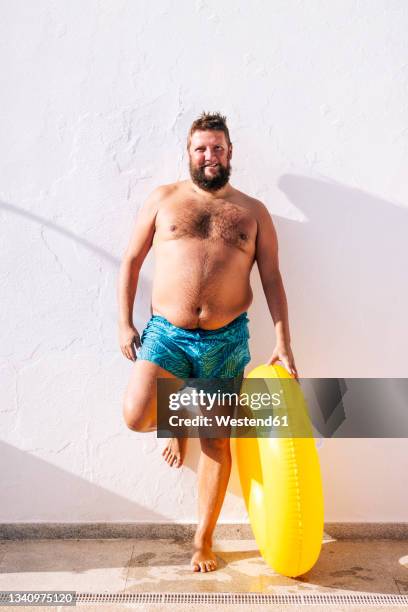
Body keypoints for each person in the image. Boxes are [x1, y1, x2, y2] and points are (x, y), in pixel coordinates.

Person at [117, 112, 297, 573]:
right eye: (201, 148)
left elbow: (272, 278)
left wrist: (283, 341)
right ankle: (178, 419)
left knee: (216, 443)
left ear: (230, 151)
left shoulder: (253, 212)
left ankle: (203, 540)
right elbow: (132, 261)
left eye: (217, 148)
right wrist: (124, 323)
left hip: (226, 340)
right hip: (168, 334)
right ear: (189, 152)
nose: (210, 156)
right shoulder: (165, 199)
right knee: (137, 416)